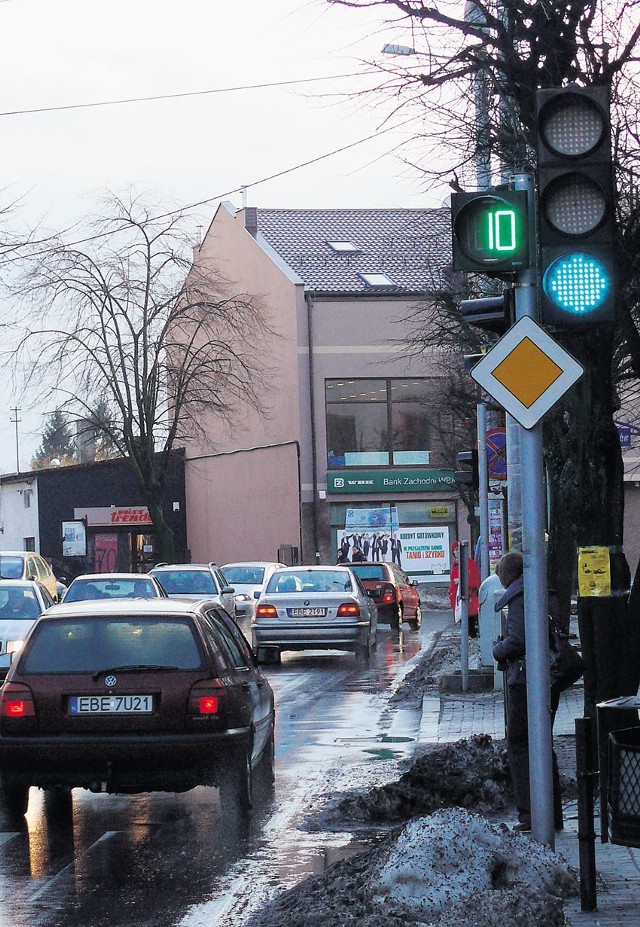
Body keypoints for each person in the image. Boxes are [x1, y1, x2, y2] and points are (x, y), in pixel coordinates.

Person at [492, 551, 564, 833]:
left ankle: (531, 815)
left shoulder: (521, 597)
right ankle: (550, 813)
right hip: (547, 677)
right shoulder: (544, 591)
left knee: (520, 744)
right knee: (543, 742)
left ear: (508, 575)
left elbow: (518, 640)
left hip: (526, 681)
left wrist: (497, 649)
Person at [448, 541, 480, 637]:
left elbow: (476, 581)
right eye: (455, 550)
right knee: (463, 624)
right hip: (458, 599)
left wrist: (462, 581)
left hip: (468, 597)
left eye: (458, 549)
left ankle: (470, 643)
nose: (457, 552)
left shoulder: (469, 563)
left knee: (469, 624)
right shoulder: (455, 564)